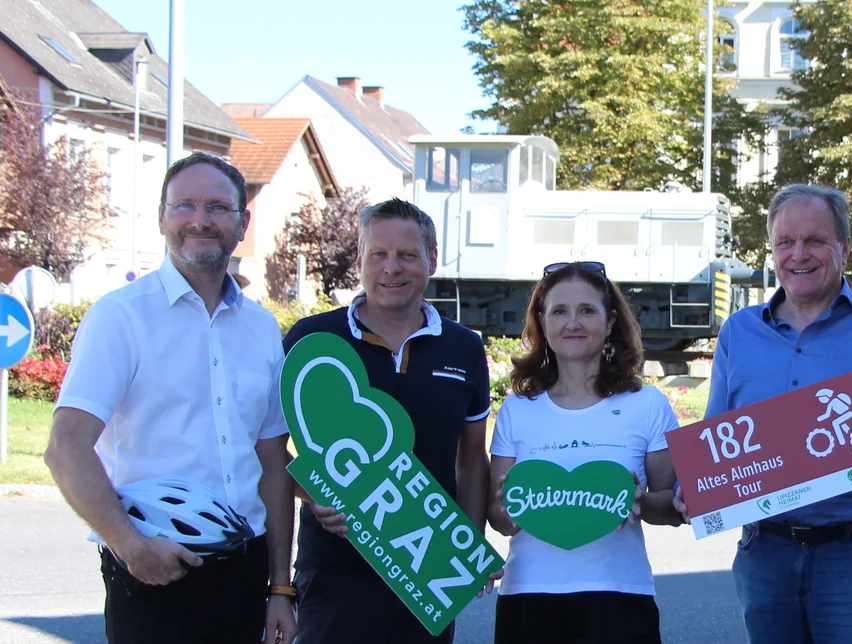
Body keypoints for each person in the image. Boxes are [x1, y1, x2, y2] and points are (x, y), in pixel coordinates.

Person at [45, 152, 297, 643]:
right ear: (162, 217)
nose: (200, 220)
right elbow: (66, 447)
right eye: (184, 205)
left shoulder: (262, 328)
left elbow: (271, 463)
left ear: (242, 222)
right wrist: (130, 547)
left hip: (244, 576)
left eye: (217, 207)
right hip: (153, 570)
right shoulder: (121, 318)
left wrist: (280, 588)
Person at [690, 183, 852, 643]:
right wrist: (695, 490)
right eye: (785, 242)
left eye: (815, 240)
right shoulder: (739, 331)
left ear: (844, 249)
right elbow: (717, 440)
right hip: (763, 549)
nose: (799, 254)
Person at [280, 198, 494, 643]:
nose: (391, 268)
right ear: (360, 260)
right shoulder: (312, 339)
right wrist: (313, 493)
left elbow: (472, 460)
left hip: (428, 567)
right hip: (335, 570)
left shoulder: (464, 348)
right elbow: (269, 448)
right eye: (378, 254)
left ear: (432, 260)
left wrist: (469, 548)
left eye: (407, 255)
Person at [485, 260, 682, 643]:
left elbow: (674, 507)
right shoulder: (517, 409)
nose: (572, 323)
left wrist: (638, 500)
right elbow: (497, 517)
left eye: (586, 310)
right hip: (528, 597)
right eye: (559, 311)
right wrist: (510, 509)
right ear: (542, 322)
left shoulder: (648, 405)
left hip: (620, 597)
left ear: (610, 323)